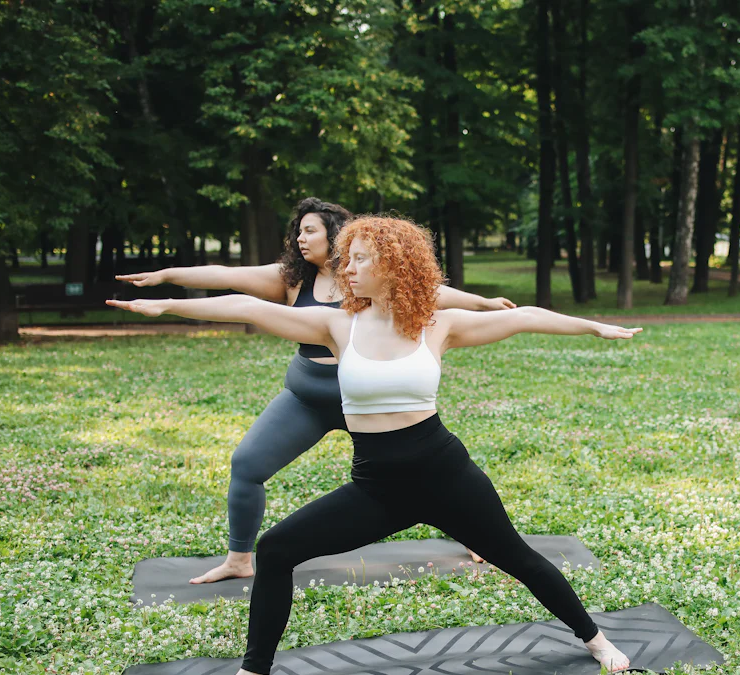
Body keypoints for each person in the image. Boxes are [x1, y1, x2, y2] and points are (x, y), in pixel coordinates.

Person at [109, 214, 638, 673]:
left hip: (446, 475)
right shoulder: (337, 325)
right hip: (377, 488)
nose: (348, 269)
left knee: (519, 559)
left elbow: (523, 317)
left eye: (359, 260)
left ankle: (596, 641)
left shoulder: (437, 325)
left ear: (393, 266)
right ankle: (255, 670)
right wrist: (170, 307)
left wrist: (594, 327)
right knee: (275, 551)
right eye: (347, 259)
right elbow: (247, 307)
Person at [116, 198, 513, 583]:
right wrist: (166, 278)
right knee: (247, 464)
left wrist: (485, 302)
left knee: (423, 469)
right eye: (298, 231)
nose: (301, 239)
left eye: (310, 231)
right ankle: (239, 559)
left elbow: (433, 294)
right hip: (306, 398)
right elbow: (225, 276)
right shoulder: (291, 278)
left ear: (334, 235)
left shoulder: (369, 276)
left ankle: (474, 536)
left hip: (364, 400)